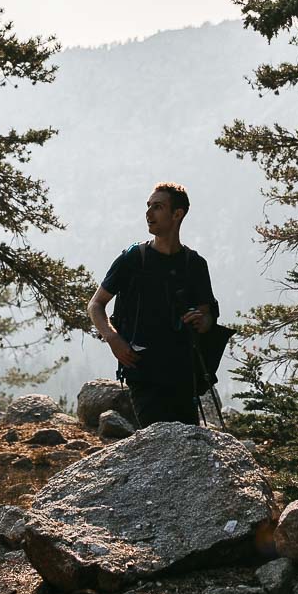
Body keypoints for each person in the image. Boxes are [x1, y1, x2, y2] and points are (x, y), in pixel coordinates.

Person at [87, 182, 218, 427]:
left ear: (177, 214)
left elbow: (208, 314)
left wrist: (202, 321)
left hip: (184, 373)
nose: (148, 214)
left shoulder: (194, 264)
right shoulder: (132, 259)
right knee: (158, 438)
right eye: (148, 206)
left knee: (186, 445)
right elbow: (96, 305)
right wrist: (114, 340)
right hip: (143, 373)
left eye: (157, 207)